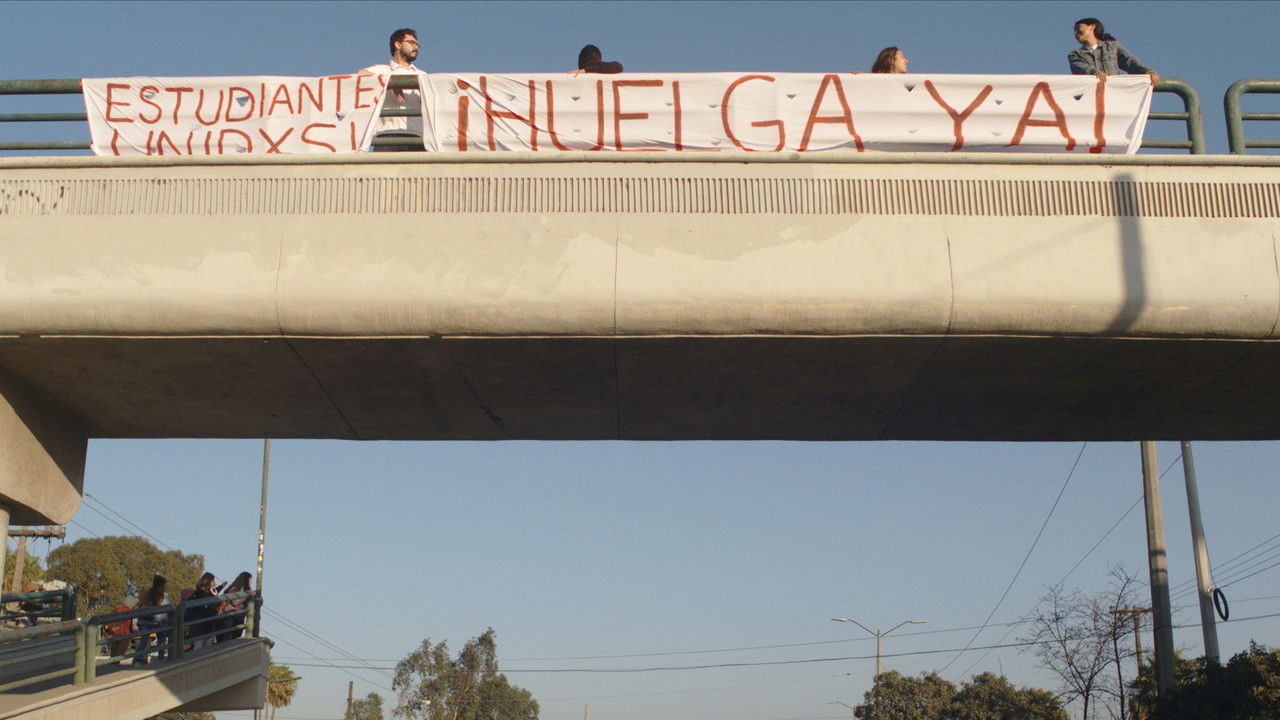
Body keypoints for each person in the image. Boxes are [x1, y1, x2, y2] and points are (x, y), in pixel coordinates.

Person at [360, 28, 428, 148]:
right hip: (386, 136)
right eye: (411, 42)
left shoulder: (422, 75)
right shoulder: (382, 70)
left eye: (417, 44)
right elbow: (360, 75)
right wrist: (391, 83)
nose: (416, 47)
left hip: (416, 137)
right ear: (398, 44)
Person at [1068, 18, 1160, 85]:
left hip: (1114, 95)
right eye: (1074, 31)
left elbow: (1129, 61)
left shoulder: (1112, 46)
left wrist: (1147, 72)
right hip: (1090, 98)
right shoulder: (1075, 55)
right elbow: (1082, 68)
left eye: (1078, 28)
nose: (1075, 33)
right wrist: (1096, 73)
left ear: (1092, 27)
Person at [134, 574, 169, 664]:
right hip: (155, 619)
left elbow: (139, 604)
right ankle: (161, 656)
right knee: (161, 637)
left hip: (143, 619)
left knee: (144, 639)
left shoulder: (147, 593)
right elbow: (161, 608)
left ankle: (137, 659)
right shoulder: (161, 595)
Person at [184, 573, 220, 650]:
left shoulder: (199, 592)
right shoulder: (203, 593)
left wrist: (221, 587)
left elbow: (214, 593)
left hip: (202, 625)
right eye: (213, 581)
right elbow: (205, 608)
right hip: (201, 625)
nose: (214, 583)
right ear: (210, 581)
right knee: (200, 646)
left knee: (204, 645)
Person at [216, 571, 253, 643]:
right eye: (250, 580)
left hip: (228, 616)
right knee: (229, 638)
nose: (251, 582)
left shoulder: (232, 587)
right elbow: (235, 602)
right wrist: (247, 595)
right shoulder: (240, 589)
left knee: (227, 637)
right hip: (231, 616)